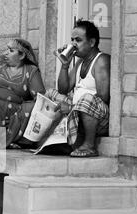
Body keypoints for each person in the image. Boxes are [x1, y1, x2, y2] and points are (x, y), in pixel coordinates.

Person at [46, 19, 111, 157]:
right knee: (50, 94)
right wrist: (65, 65)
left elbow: (103, 96)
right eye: (72, 39)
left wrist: (71, 108)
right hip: (79, 111)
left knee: (87, 99)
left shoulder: (101, 60)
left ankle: (89, 145)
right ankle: (50, 140)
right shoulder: (80, 62)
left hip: (98, 118)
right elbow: (63, 89)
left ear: (92, 42)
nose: (73, 44)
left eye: (78, 40)